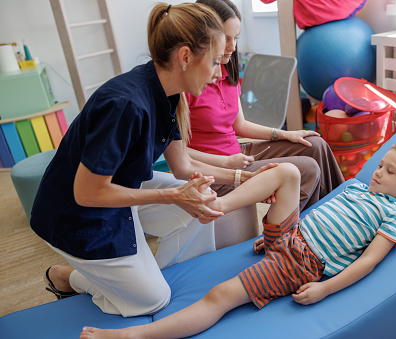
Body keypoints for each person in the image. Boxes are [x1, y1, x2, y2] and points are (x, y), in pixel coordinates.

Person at [30, 2, 276, 318]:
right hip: (77, 217)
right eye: (215, 62)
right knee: (152, 302)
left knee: (201, 202)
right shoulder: (125, 105)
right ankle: (69, 277)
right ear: (185, 57)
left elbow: (183, 167)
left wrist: (249, 179)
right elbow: (87, 194)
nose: (218, 73)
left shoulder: (168, 93)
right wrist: (171, 196)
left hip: (120, 190)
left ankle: (144, 278)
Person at [79, 143, 396, 338]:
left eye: (389, 172)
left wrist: (326, 289)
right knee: (288, 171)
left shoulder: (395, 215)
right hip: (292, 235)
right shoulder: (357, 188)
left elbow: (368, 261)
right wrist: (277, 233)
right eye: (380, 164)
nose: (377, 172)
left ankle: (133, 338)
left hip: (301, 264)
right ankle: (216, 206)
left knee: (220, 296)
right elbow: (319, 212)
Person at [185, 0, 344, 212]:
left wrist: (285, 134)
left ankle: (343, 208)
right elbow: (179, 154)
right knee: (308, 168)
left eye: (236, 38)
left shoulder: (226, 71)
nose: (232, 47)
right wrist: (226, 163)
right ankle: (305, 225)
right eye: (226, 38)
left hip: (239, 153)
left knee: (314, 143)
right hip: (220, 167)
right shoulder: (188, 85)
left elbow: (239, 125)